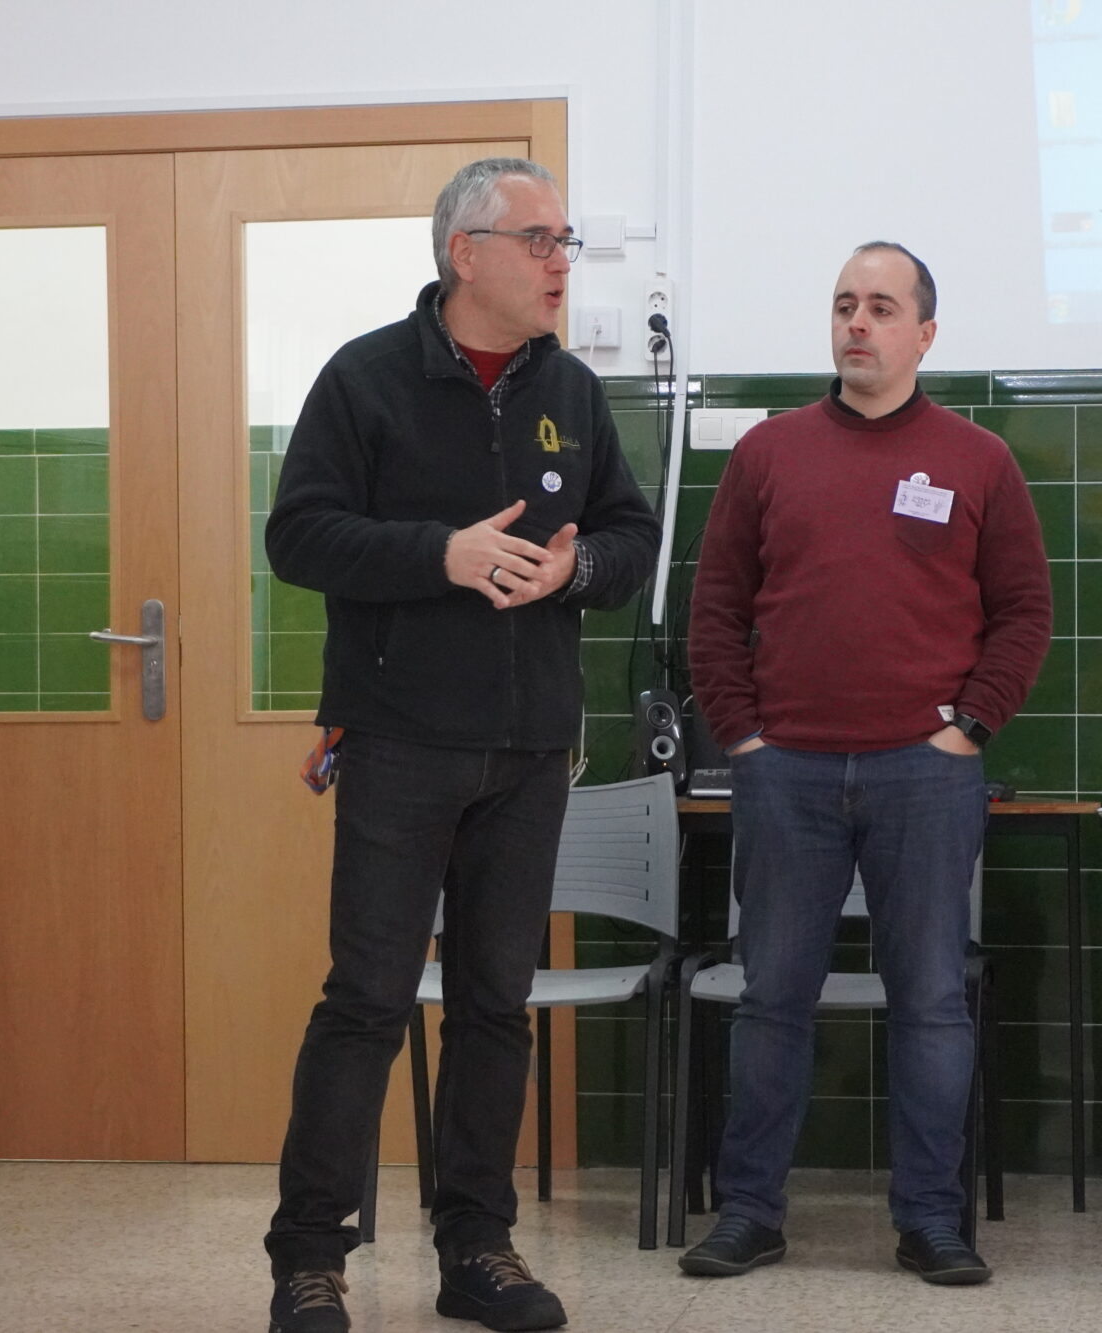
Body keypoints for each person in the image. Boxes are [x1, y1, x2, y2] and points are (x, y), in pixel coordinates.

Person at [261, 157, 661, 1333]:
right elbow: (298, 535)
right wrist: (440, 553)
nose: (559, 261)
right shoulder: (365, 378)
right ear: (464, 253)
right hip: (400, 744)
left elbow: (630, 536)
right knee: (366, 1002)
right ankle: (308, 1257)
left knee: (495, 1005)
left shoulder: (570, 389)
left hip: (530, 751)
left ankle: (476, 1249)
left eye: (564, 240)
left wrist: (571, 571)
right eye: (538, 240)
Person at [682, 242, 1051, 1286]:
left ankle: (931, 1219)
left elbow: (1024, 612)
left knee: (929, 999)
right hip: (786, 772)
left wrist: (968, 727)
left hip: (924, 775)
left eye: (882, 307)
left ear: (924, 333)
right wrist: (744, 738)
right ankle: (749, 1212)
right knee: (772, 999)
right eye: (845, 304)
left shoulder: (977, 459)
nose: (857, 322)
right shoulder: (769, 452)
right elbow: (715, 610)